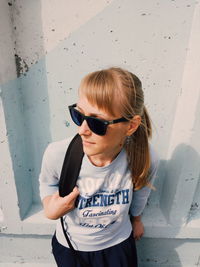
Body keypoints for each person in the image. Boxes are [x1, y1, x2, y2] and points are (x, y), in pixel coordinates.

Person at [39, 67, 158, 267]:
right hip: (72, 248)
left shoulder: (144, 157)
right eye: (78, 115)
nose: (82, 129)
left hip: (118, 246)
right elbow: (47, 183)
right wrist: (51, 209)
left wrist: (136, 220)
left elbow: (140, 193)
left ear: (130, 126)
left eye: (97, 122)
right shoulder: (58, 154)